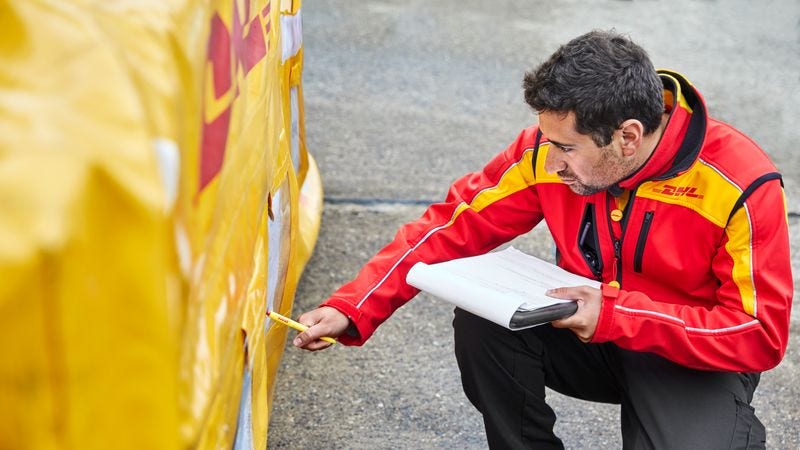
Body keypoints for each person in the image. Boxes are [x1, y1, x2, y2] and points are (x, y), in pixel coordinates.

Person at [292, 30, 793, 449]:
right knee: (482, 321)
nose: (551, 162)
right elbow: (451, 227)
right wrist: (355, 305)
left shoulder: (738, 182)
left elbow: (758, 335)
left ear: (628, 136)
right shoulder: (546, 153)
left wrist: (616, 314)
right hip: (585, 333)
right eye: (549, 141)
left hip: (688, 355)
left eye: (566, 148)